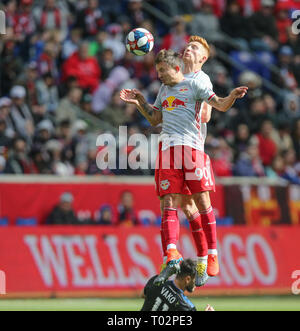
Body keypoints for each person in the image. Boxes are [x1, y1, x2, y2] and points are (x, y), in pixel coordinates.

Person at [120, 49, 248, 286]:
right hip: (168, 150)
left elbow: (218, 104)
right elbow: (155, 118)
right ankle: (171, 253)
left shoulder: (195, 85)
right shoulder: (163, 90)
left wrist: (231, 96)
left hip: (191, 150)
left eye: (162, 71)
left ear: (176, 68)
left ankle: (211, 254)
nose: (159, 76)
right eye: (158, 71)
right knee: (168, 202)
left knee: (201, 202)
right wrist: (139, 101)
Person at [141, 259, 214, 311]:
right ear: (187, 279)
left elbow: (143, 295)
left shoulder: (156, 280)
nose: (196, 284)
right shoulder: (187, 306)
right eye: (195, 280)